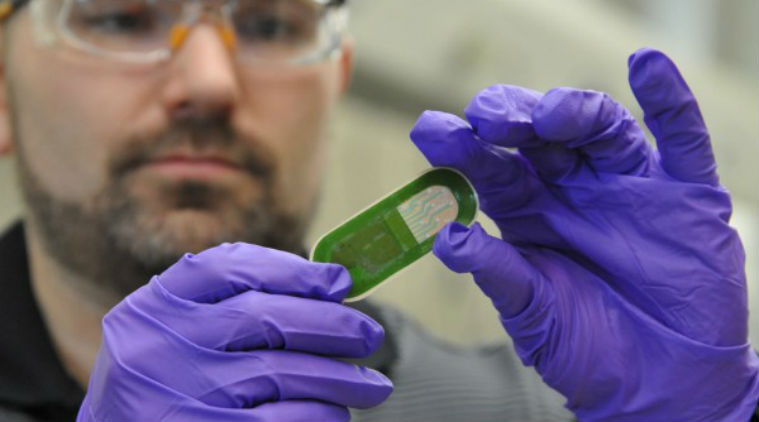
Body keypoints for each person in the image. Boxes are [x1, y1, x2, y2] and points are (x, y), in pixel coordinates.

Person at [0, 0, 757, 421]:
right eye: (119, 16)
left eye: (269, 24)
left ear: (336, 82)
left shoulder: (523, 411)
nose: (210, 82)